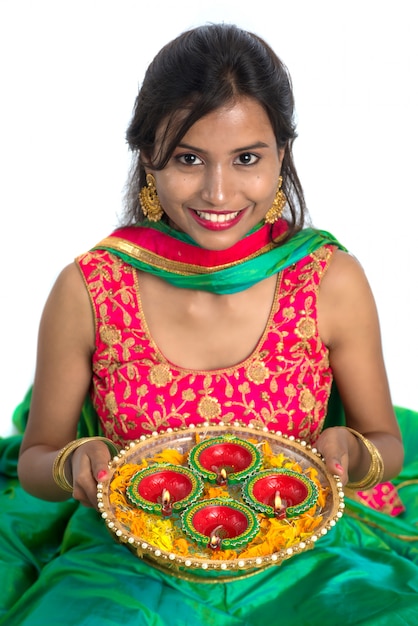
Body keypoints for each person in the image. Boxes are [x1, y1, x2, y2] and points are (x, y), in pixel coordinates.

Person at [1, 23, 417, 626]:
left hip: (307, 558)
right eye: (189, 159)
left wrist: (354, 451)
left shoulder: (329, 279)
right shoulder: (90, 289)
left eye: (246, 158)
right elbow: (37, 456)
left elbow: (387, 446)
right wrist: (72, 463)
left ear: (282, 155)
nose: (218, 192)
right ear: (149, 158)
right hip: (130, 565)